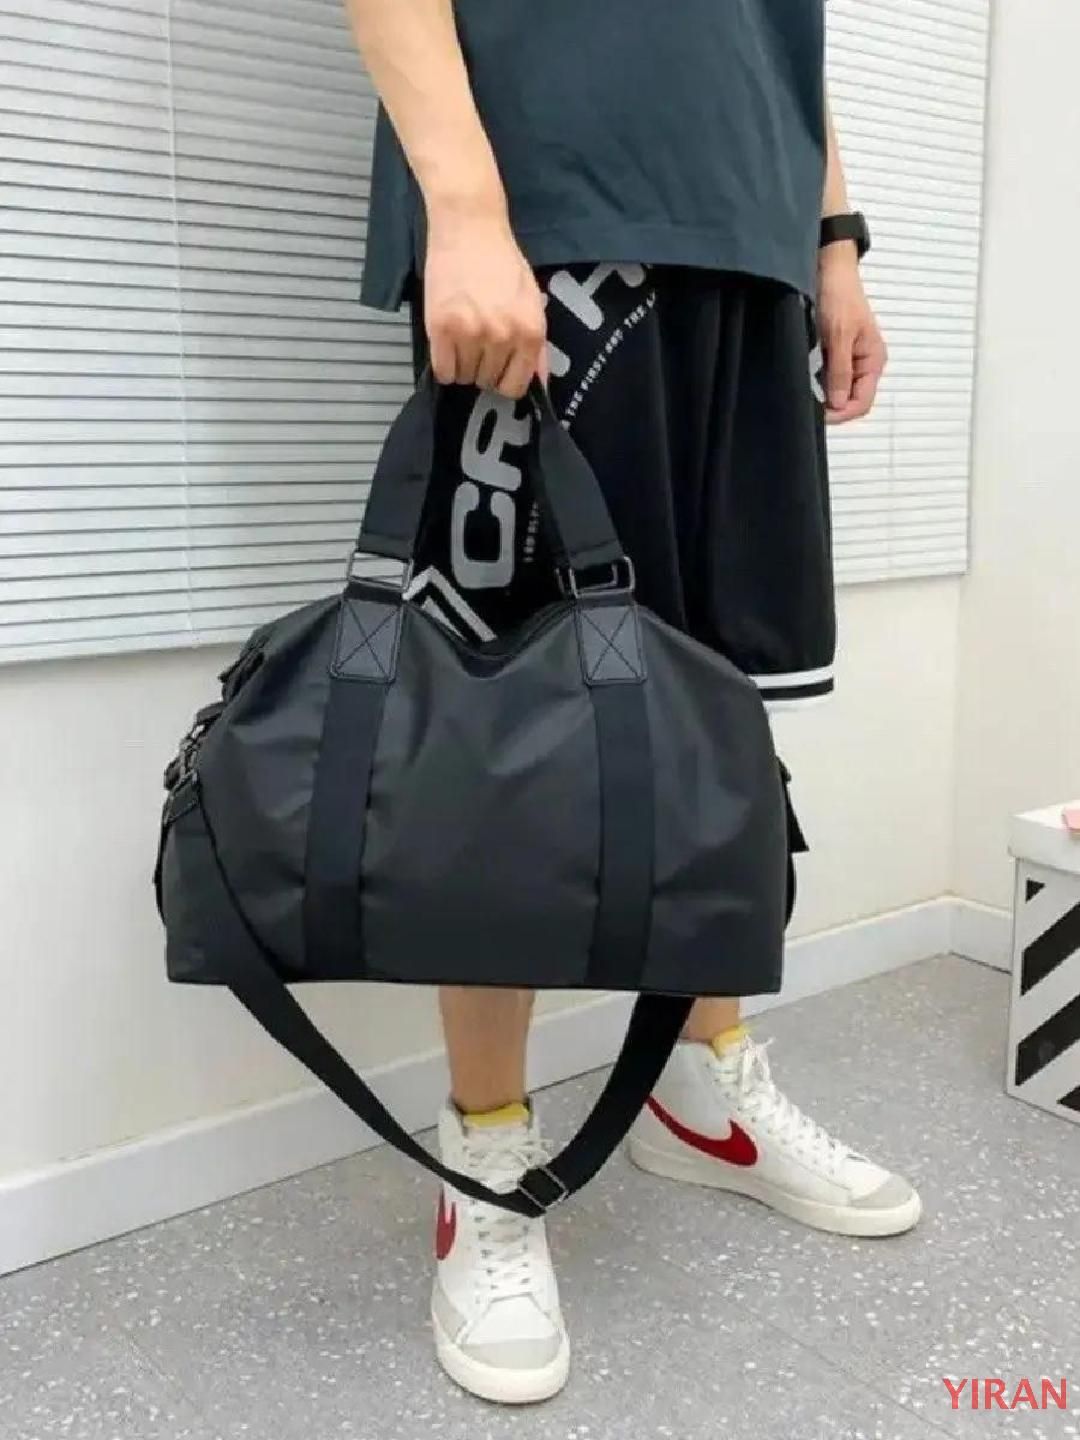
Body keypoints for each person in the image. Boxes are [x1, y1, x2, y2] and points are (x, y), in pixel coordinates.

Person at [345, 0, 922, 1406]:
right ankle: (487, 1148)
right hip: (551, 216)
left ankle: (702, 1086)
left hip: (754, 243)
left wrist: (834, 244)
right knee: (502, 716)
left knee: (718, 704)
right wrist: (464, 209)